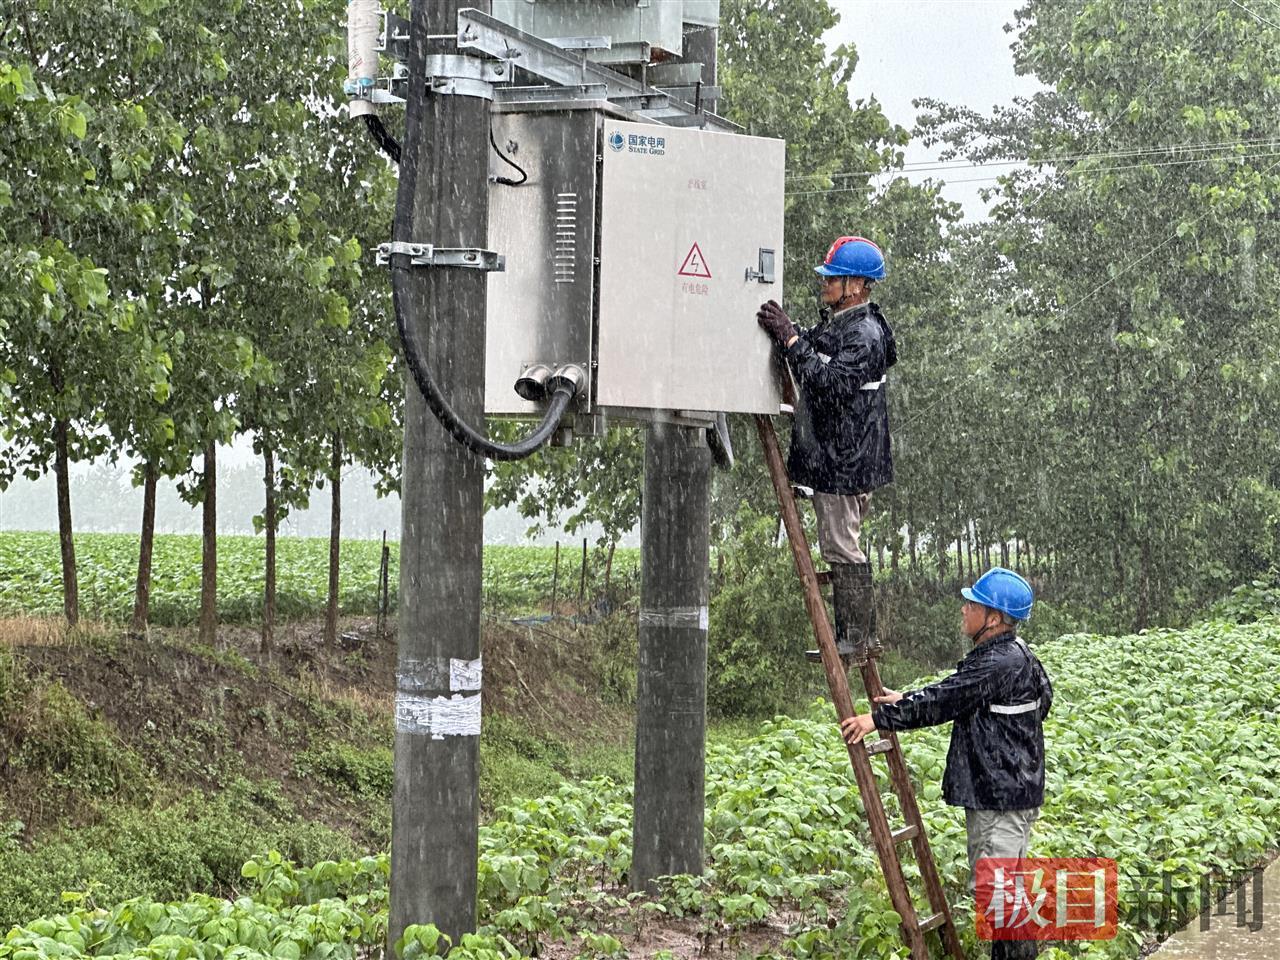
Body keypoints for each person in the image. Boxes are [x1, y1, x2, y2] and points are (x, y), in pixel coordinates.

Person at [840, 567, 1053, 960]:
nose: (962, 609)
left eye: (971, 604)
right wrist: (907, 699)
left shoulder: (997, 662)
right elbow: (968, 695)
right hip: (1010, 794)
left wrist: (877, 719)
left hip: (999, 799)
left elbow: (947, 699)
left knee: (1002, 901)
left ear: (993, 618)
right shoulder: (1014, 656)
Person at [756, 236, 897, 664]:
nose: (825, 285)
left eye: (832, 279)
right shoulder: (845, 323)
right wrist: (796, 337)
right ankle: (855, 636)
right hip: (841, 456)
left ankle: (856, 637)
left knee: (841, 546)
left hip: (846, 462)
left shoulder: (865, 335)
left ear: (855, 284)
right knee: (840, 543)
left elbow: (830, 383)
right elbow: (816, 352)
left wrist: (792, 342)